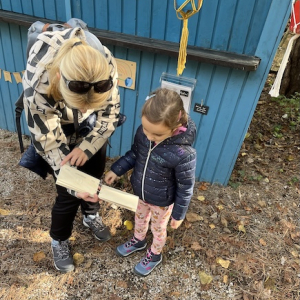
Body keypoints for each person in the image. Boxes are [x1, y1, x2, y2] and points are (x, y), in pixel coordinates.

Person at [22, 20, 120, 273]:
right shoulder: (39, 82)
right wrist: (73, 181)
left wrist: (87, 147)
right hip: (56, 122)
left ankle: (91, 215)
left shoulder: (105, 65)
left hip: (87, 126)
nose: (87, 111)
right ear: (58, 79)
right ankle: (59, 240)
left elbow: (108, 117)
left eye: (91, 105)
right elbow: (48, 140)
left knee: (94, 171)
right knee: (67, 193)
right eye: (80, 105)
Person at [102, 88, 196, 276]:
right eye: (146, 130)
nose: (150, 137)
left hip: (162, 200)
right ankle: (139, 240)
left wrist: (178, 215)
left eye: (157, 135)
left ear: (175, 127)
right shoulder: (144, 134)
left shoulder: (183, 154)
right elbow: (135, 154)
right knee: (139, 217)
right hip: (142, 192)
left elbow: (186, 187)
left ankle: (155, 254)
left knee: (158, 228)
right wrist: (116, 169)